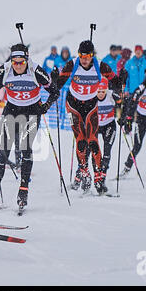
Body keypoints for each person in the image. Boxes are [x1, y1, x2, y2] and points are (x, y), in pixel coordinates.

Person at [0, 43, 60, 210]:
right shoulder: (4, 70)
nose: (18, 65)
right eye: (15, 62)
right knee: (2, 153)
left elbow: (54, 91)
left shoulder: (36, 70)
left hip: (31, 112)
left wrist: (45, 106)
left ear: (27, 59)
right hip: (12, 111)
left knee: (25, 150)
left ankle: (23, 191)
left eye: (21, 62)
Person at [57, 40, 122, 195]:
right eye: (81, 55)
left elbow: (115, 82)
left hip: (91, 106)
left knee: (92, 140)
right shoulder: (72, 65)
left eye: (87, 56)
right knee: (80, 141)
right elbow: (57, 84)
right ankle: (84, 173)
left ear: (92, 55)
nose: (84, 59)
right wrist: (53, 79)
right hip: (73, 106)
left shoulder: (101, 66)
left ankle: (99, 177)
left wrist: (122, 79)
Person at [70, 77, 121, 190]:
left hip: (108, 125)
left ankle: (100, 181)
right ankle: (80, 177)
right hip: (94, 127)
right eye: (98, 91)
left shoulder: (111, 95)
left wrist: (124, 117)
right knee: (87, 152)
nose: (101, 94)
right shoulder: (89, 98)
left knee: (106, 153)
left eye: (103, 91)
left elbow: (124, 103)